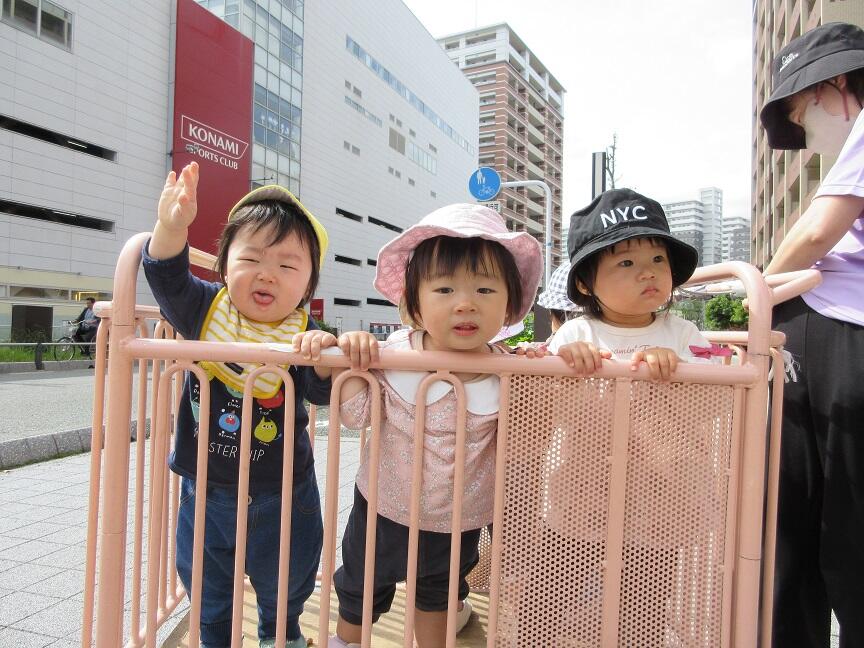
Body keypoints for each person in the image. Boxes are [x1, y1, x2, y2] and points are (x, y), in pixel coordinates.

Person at [309, 203, 542, 648]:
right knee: (360, 590)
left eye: (485, 289)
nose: (466, 303)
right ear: (414, 301)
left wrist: (542, 379)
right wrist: (346, 363)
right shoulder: (395, 355)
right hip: (382, 506)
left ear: (510, 303)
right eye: (445, 289)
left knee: (437, 596)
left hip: (459, 518)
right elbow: (356, 415)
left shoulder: (509, 372)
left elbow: (526, 446)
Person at [142, 161, 333, 648]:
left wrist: (330, 358)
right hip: (205, 489)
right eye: (251, 260)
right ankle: (213, 640)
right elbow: (166, 276)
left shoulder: (305, 335)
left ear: (308, 285)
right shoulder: (206, 308)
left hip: (283, 492)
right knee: (208, 589)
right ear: (224, 266)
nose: (267, 275)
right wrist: (171, 227)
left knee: (288, 583)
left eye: (287, 266)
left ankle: (281, 635)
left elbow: (320, 391)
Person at [759, 21, 864, 648]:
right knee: (828, 525)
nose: (803, 130)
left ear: (836, 85)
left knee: (800, 522)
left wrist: (757, 297)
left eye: (800, 109)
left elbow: (816, 234)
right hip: (833, 329)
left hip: (835, 327)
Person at [548, 188, 714, 377]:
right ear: (584, 284)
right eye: (626, 263)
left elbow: (718, 385)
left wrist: (680, 365)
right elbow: (543, 397)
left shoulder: (684, 334)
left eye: (658, 259)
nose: (649, 273)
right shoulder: (575, 334)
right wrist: (564, 363)